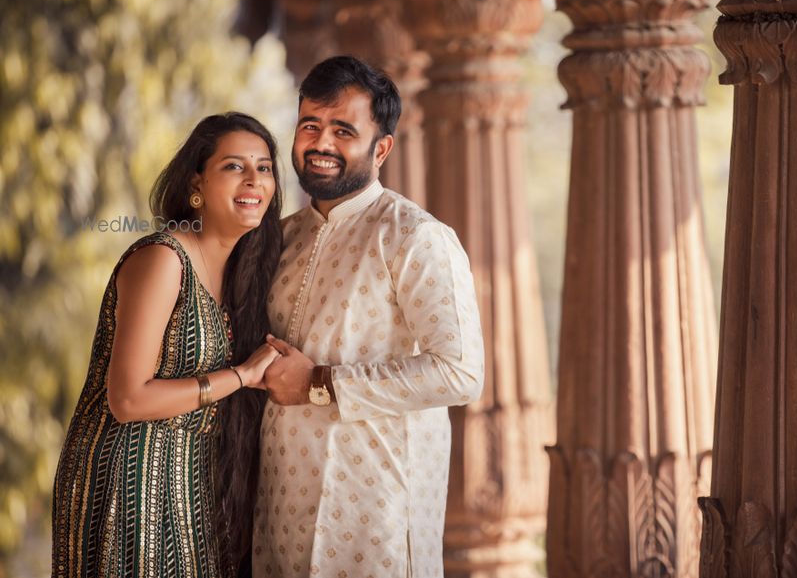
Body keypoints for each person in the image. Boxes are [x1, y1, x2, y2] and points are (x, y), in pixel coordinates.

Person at [255, 55, 485, 578]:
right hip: (278, 519)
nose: (322, 144)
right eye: (310, 125)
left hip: (373, 522)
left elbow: (461, 372)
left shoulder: (414, 237)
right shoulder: (279, 239)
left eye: (343, 130)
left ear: (381, 148)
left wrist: (319, 383)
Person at [52, 112, 285, 578]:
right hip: (126, 478)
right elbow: (128, 398)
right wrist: (240, 376)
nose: (254, 180)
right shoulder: (163, 259)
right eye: (234, 166)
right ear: (196, 183)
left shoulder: (243, 272)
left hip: (190, 481)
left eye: (263, 167)